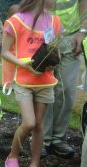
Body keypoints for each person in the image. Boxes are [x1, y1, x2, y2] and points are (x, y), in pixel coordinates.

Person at [1, 0, 62, 167]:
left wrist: (53, 61)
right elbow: (4, 52)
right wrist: (23, 64)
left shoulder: (54, 21)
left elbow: (54, 49)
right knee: (29, 122)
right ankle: (12, 156)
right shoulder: (16, 21)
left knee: (39, 124)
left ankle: (35, 164)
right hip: (23, 81)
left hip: (45, 81)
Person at [42, 0, 87, 158]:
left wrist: (83, 31)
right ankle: (43, 138)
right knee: (46, 89)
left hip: (71, 37)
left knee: (67, 90)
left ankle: (58, 138)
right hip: (45, 36)